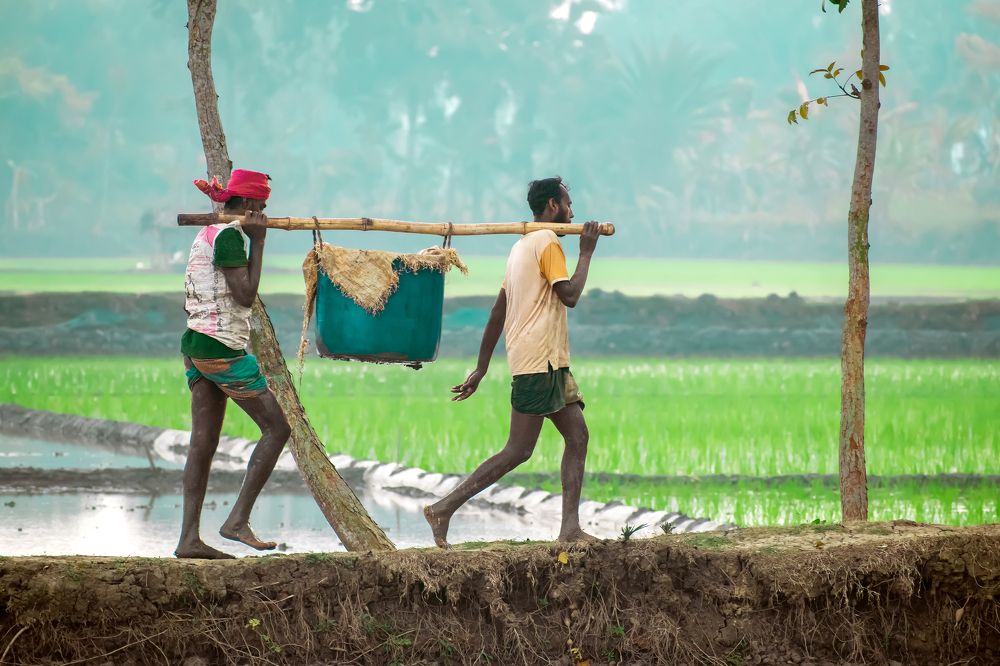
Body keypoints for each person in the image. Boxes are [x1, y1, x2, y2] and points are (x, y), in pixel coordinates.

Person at [424, 176, 602, 547]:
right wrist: (587, 251)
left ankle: (569, 528)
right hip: (541, 361)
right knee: (518, 450)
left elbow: (496, 312)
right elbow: (568, 295)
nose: (573, 213)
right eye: (568, 205)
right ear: (552, 206)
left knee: (578, 434)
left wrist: (482, 366)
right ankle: (443, 508)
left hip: (549, 361)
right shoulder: (548, 243)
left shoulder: (520, 246)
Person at [175, 169, 291, 559]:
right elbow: (244, 296)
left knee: (203, 443)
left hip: (196, 344)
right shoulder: (228, 236)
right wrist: (259, 243)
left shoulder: (204, 233)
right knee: (277, 429)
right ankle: (237, 521)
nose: (264, 212)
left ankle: (189, 540)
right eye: (263, 206)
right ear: (252, 205)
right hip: (219, 348)